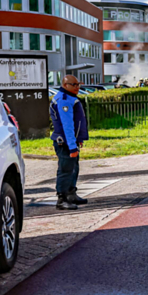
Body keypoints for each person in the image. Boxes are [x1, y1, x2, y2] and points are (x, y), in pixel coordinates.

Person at [50, 75, 89, 211]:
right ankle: (62, 199)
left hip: (70, 141)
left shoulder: (69, 98)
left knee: (73, 168)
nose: (77, 87)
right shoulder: (64, 100)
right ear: (66, 85)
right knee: (65, 170)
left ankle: (71, 194)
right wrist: (72, 146)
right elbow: (67, 125)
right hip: (65, 142)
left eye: (78, 84)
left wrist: (78, 140)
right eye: (74, 84)